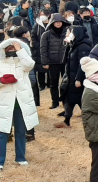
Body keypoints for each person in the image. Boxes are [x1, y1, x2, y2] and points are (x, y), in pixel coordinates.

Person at [0, 38, 39, 170]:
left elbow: (30, 65)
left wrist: (20, 50)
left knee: (21, 130)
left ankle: (21, 157)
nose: (11, 48)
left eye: (14, 47)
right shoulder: (1, 62)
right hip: (4, 102)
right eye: (9, 47)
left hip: (21, 102)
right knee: (3, 131)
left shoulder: (23, 63)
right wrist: (2, 81)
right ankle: (0, 161)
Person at [57, 26, 93, 128]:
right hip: (71, 76)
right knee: (70, 98)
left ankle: (90, 121)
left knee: (81, 100)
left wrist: (78, 79)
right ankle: (67, 119)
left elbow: (83, 64)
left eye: (70, 33)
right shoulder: (74, 44)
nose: (68, 35)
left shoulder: (83, 47)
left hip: (78, 78)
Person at [40, 13, 71, 110]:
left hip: (65, 61)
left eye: (60, 22)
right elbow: (43, 49)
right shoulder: (46, 34)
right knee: (53, 84)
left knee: (66, 83)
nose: (58, 23)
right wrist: (45, 62)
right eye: (56, 22)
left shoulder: (68, 33)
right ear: (52, 23)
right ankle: (55, 102)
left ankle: (66, 102)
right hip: (52, 62)